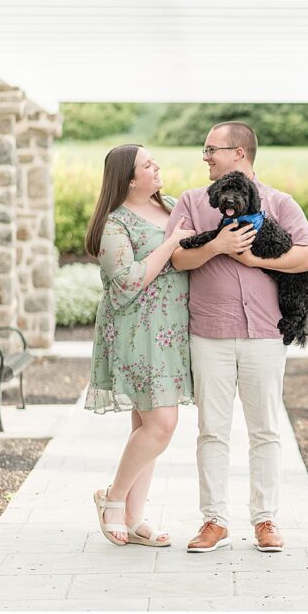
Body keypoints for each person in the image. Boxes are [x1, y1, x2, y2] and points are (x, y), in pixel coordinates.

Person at [167, 121, 308, 553]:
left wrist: (252, 259)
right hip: (210, 331)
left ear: (240, 153)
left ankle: (265, 519)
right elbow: (176, 259)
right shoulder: (193, 202)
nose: (206, 157)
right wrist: (215, 247)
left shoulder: (280, 202)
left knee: (266, 430)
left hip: (264, 333)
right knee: (212, 430)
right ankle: (214, 520)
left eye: (211, 149)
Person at [83, 143, 195, 546]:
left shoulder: (171, 207)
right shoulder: (115, 224)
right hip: (137, 333)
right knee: (162, 425)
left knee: (146, 426)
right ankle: (112, 499)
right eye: (148, 164)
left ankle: (134, 516)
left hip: (170, 332)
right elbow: (127, 283)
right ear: (129, 179)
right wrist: (170, 244)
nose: (157, 166)